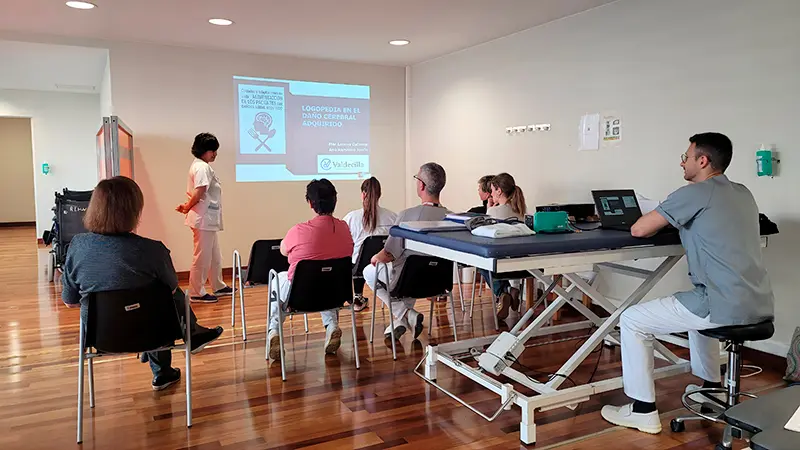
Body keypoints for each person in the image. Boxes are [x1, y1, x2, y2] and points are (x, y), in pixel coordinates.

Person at [601, 132, 774, 434]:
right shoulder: (743, 192)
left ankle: (643, 410)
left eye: (686, 156)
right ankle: (710, 387)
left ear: (703, 161)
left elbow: (640, 229)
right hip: (758, 302)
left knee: (631, 319)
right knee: (696, 312)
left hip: (719, 303)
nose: (682, 162)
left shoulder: (694, 192)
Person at [62, 176, 223, 391]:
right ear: (134, 211)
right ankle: (177, 352)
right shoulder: (153, 250)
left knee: (148, 301)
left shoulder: (77, 247)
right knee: (162, 299)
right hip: (153, 333)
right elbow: (173, 287)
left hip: (100, 336)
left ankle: (175, 355)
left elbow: (70, 301)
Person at [267, 179, 354, 360]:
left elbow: (283, 251)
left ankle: (273, 330)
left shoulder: (299, 230)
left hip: (300, 295)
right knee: (326, 278)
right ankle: (331, 325)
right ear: (335, 201)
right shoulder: (345, 228)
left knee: (276, 279)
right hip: (335, 293)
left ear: (310, 203)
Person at [364, 163, 449, 340]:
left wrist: (374, 257)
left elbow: (388, 254)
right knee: (409, 267)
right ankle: (402, 319)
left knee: (370, 271)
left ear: (421, 185)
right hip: (438, 282)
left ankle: (405, 314)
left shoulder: (406, 216)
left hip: (408, 281)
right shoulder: (451, 218)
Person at [176, 132, 231, 303]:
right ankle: (196, 292)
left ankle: (218, 284)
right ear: (203, 150)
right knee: (202, 256)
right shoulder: (201, 167)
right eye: (212, 150)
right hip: (203, 218)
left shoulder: (202, 166)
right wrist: (186, 207)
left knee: (214, 255)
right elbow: (199, 191)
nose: (215, 154)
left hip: (207, 218)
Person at [343, 177, 397, 312]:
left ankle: (357, 296)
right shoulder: (392, 217)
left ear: (363, 194)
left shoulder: (351, 218)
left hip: (358, 267)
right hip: (383, 266)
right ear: (380, 194)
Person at [478, 172, 528, 319]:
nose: (491, 193)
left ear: (499, 191)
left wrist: (489, 209)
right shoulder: (521, 212)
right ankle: (510, 290)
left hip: (501, 266)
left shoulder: (493, 211)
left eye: (492, 190)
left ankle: (503, 291)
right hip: (522, 265)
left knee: (480, 259)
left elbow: (485, 236)